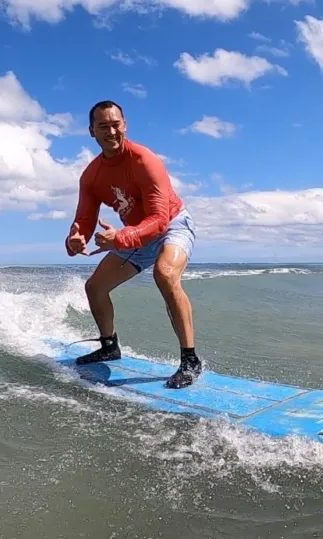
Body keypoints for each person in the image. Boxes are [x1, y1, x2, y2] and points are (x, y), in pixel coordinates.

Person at [64, 100, 202, 389]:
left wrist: (122, 237)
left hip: (172, 225)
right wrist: (75, 239)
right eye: (103, 126)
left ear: (124, 125)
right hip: (135, 234)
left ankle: (190, 360)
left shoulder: (145, 160)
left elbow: (160, 220)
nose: (111, 131)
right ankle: (109, 346)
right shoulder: (91, 176)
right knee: (95, 287)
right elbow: (84, 220)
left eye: (116, 125)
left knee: (164, 274)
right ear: (92, 132)